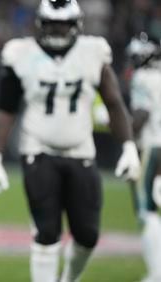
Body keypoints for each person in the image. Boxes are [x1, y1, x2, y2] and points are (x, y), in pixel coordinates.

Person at [0, 1, 141, 282]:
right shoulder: (22, 53)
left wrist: (128, 147)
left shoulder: (92, 52)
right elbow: (5, 108)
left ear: (76, 25)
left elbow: (114, 104)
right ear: (41, 24)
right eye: (53, 24)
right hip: (38, 150)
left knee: (88, 235)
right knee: (46, 232)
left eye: (63, 25)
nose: (58, 30)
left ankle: (69, 278)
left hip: (81, 152)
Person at [126, 32, 161, 282]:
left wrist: (124, 132)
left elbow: (142, 114)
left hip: (151, 145)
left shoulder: (142, 78)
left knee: (146, 209)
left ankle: (156, 271)